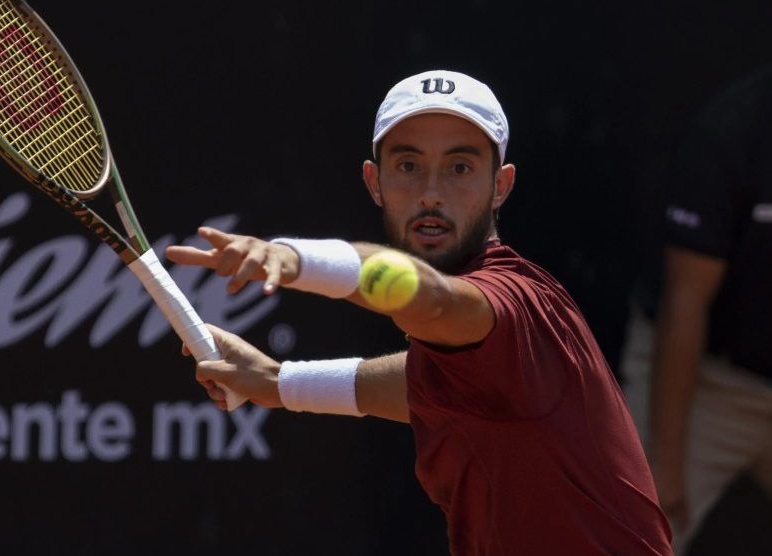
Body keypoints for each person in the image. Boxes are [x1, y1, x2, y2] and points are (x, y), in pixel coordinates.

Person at [166, 70, 673, 555]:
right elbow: (423, 385)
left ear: (500, 185)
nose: (431, 194)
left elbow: (429, 298)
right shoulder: (477, 363)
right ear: (374, 182)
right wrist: (279, 382)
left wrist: (295, 258)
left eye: (459, 168)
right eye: (408, 166)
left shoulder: (512, 300)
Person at [645, 66, 772, 555]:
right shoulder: (731, 130)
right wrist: (664, 465)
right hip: (707, 383)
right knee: (638, 534)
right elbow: (686, 302)